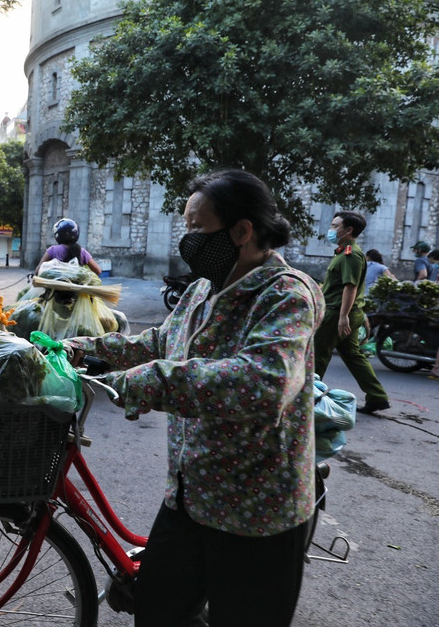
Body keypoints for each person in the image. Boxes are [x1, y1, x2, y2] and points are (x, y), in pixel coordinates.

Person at [63, 169, 323, 627]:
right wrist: (84, 349)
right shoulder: (203, 289)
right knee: (157, 613)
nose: (187, 240)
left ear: (241, 231)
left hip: (257, 514)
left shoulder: (286, 295)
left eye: (196, 228)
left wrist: (148, 382)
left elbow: (262, 384)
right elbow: (161, 342)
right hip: (189, 498)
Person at [314, 211, 390, 414]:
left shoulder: (351, 254)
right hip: (343, 311)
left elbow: (350, 287)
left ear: (349, 230)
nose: (331, 229)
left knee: (318, 354)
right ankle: (377, 396)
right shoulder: (343, 252)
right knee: (352, 354)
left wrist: (342, 317)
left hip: (337, 313)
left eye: (335, 226)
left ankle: (309, 398)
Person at [35, 218, 102, 275]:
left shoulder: (53, 250)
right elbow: (98, 271)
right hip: (77, 289)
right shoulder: (82, 252)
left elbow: (37, 271)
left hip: (54, 288)